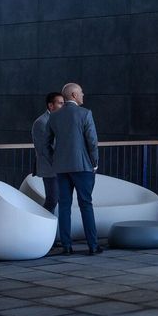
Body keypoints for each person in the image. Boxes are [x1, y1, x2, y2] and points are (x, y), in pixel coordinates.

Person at [43, 82, 101, 255]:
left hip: (61, 167)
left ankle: (67, 246)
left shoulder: (54, 116)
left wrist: (54, 159)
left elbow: (45, 143)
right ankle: (93, 245)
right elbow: (92, 141)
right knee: (86, 204)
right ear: (74, 95)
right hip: (82, 166)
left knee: (65, 206)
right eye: (81, 92)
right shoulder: (85, 113)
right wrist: (95, 162)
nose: (83, 95)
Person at [31, 90, 64, 209]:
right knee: (52, 200)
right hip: (50, 168)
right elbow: (44, 149)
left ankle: (58, 227)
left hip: (60, 167)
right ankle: (42, 227)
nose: (63, 106)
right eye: (60, 103)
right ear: (51, 105)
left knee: (61, 200)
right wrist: (59, 165)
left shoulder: (59, 120)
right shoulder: (41, 122)